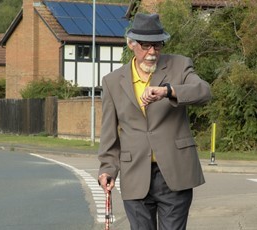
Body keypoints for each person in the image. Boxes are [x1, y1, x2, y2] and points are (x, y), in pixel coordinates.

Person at [97, 13, 211, 230]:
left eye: (157, 46)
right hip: (135, 175)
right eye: (145, 46)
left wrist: (168, 91)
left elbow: (203, 92)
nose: (152, 53)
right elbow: (109, 133)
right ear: (131, 44)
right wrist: (107, 169)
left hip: (175, 173)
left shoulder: (180, 65)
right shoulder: (112, 82)